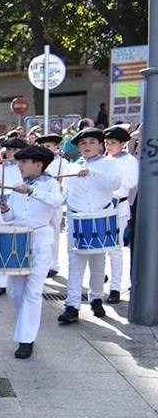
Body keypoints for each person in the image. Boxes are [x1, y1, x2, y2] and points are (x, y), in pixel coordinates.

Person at [0, 146, 64, 358]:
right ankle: (25, 326)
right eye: (19, 162)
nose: (20, 166)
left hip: (40, 239)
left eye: (24, 162)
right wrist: (5, 210)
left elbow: (57, 201)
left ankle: (26, 339)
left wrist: (32, 191)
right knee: (16, 291)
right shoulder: (17, 186)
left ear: (38, 164)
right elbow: (11, 217)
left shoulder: (50, 183)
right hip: (18, 241)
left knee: (33, 290)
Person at [57, 128, 121, 324]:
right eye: (83, 143)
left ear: (100, 145)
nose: (87, 146)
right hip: (77, 220)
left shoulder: (109, 163)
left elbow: (115, 184)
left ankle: (96, 299)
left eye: (92, 142)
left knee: (98, 264)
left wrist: (92, 173)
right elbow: (65, 193)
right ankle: (72, 305)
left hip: (99, 218)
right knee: (75, 265)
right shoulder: (71, 167)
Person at [103, 126, 138, 304]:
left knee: (115, 249)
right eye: (107, 143)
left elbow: (131, 183)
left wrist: (114, 173)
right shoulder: (105, 159)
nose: (109, 146)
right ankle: (101, 277)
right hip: (103, 206)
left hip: (119, 206)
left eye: (113, 143)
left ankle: (115, 288)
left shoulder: (129, 160)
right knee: (100, 248)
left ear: (122, 144)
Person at [0, 138, 27, 296]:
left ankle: (17, 273)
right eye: (9, 150)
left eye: (15, 150)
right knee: (0, 239)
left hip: (18, 201)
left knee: (16, 241)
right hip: (2, 201)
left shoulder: (24, 167)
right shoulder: (0, 168)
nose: (11, 153)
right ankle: (0, 283)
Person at [36, 134, 71, 278]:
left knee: (54, 231)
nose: (45, 149)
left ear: (56, 148)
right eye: (43, 146)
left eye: (48, 146)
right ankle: (41, 262)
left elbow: (65, 183)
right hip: (39, 200)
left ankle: (53, 264)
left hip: (55, 200)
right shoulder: (38, 162)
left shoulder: (62, 162)